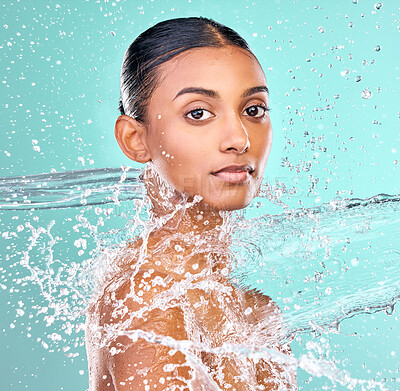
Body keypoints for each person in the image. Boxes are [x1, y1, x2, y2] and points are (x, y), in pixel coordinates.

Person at [86, 17, 297, 390]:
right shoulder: (147, 299)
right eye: (198, 113)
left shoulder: (257, 311)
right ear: (136, 139)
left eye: (253, 110)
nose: (239, 139)